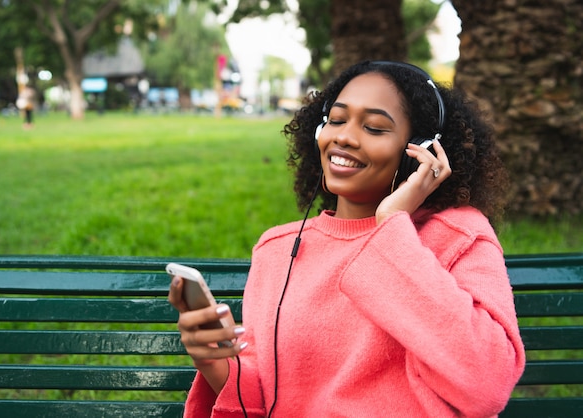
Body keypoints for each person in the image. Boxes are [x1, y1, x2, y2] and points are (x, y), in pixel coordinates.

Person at [169, 60, 526, 418]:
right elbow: (267, 397)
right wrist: (215, 360)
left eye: (373, 127)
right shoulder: (277, 251)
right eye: (336, 120)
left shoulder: (458, 236)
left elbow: (486, 384)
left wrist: (391, 227)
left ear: (419, 150)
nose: (343, 137)